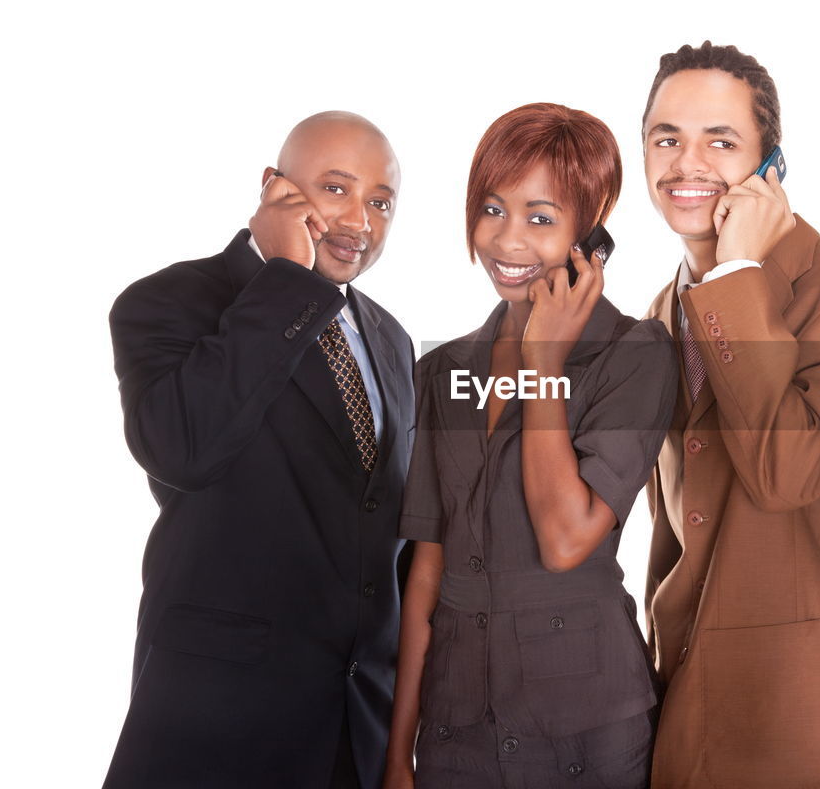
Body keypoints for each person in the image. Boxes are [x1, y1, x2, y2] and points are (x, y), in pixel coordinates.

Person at [105, 111, 415, 789]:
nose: (360, 220)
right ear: (276, 188)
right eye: (336, 189)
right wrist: (285, 278)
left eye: (382, 201)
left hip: (355, 730)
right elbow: (183, 448)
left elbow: (391, 533)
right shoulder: (166, 302)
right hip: (218, 726)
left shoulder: (391, 340)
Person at [381, 103, 676, 789]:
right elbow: (426, 571)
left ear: (588, 234)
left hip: (583, 730)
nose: (506, 240)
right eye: (492, 208)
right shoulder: (444, 369)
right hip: (457, 730)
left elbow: (568, 538)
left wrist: (544, 362)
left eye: (540, 218)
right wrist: (400, 753)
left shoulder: (635, 355)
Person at [639, 42, 820, 787]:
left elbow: (785, 472)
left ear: (770, 166)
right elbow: (671, 522)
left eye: (720, 141)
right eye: (667, 138)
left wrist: (736, 276)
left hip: (793, 706)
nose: (688, 164)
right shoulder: (661, 309)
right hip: (679, 697)